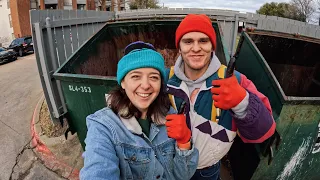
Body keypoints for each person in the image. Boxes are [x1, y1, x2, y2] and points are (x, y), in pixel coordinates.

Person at [166, 14, 276, 180]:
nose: (196, 48)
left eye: (203, 41)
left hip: (207, 172)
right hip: (170, 168)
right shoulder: (165, 79)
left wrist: (242, 102)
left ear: (212, 46)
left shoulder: (235, 80)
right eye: (188, 41)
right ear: (179, 47)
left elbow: (264, 131)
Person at [80, 41, 199, 180]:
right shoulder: (103, 126)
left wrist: (184, 143)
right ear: (123, 82)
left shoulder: (170, 115)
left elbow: (183, 176)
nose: (146, 85)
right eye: (136, 76)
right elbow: (98, 171)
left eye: (154, 77)